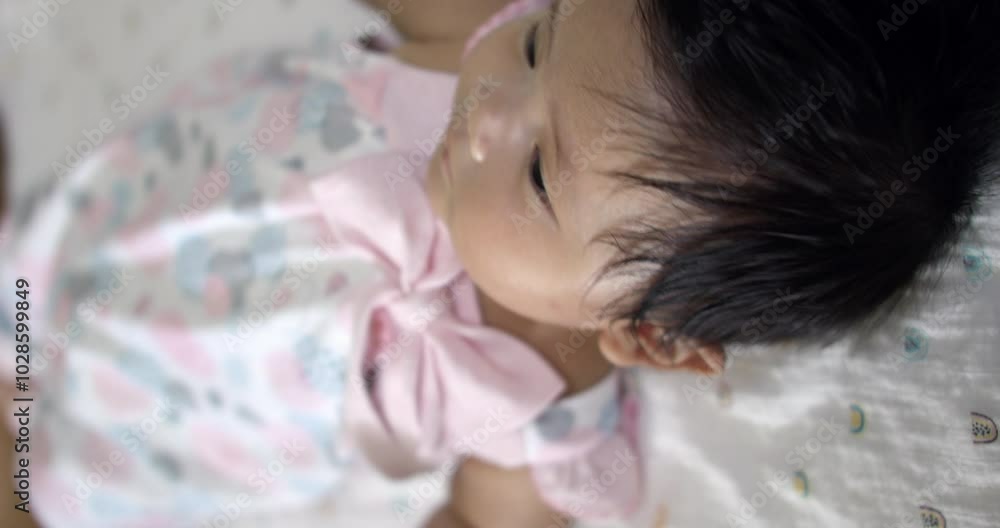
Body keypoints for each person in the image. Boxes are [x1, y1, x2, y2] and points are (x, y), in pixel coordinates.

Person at [1, 0, 997, 526]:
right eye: (536, 39)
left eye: (540, 176)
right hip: (107, 221)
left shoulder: (536, 407)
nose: (489, 114)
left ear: (648, 335)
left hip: (128, 433)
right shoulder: (479, 31)